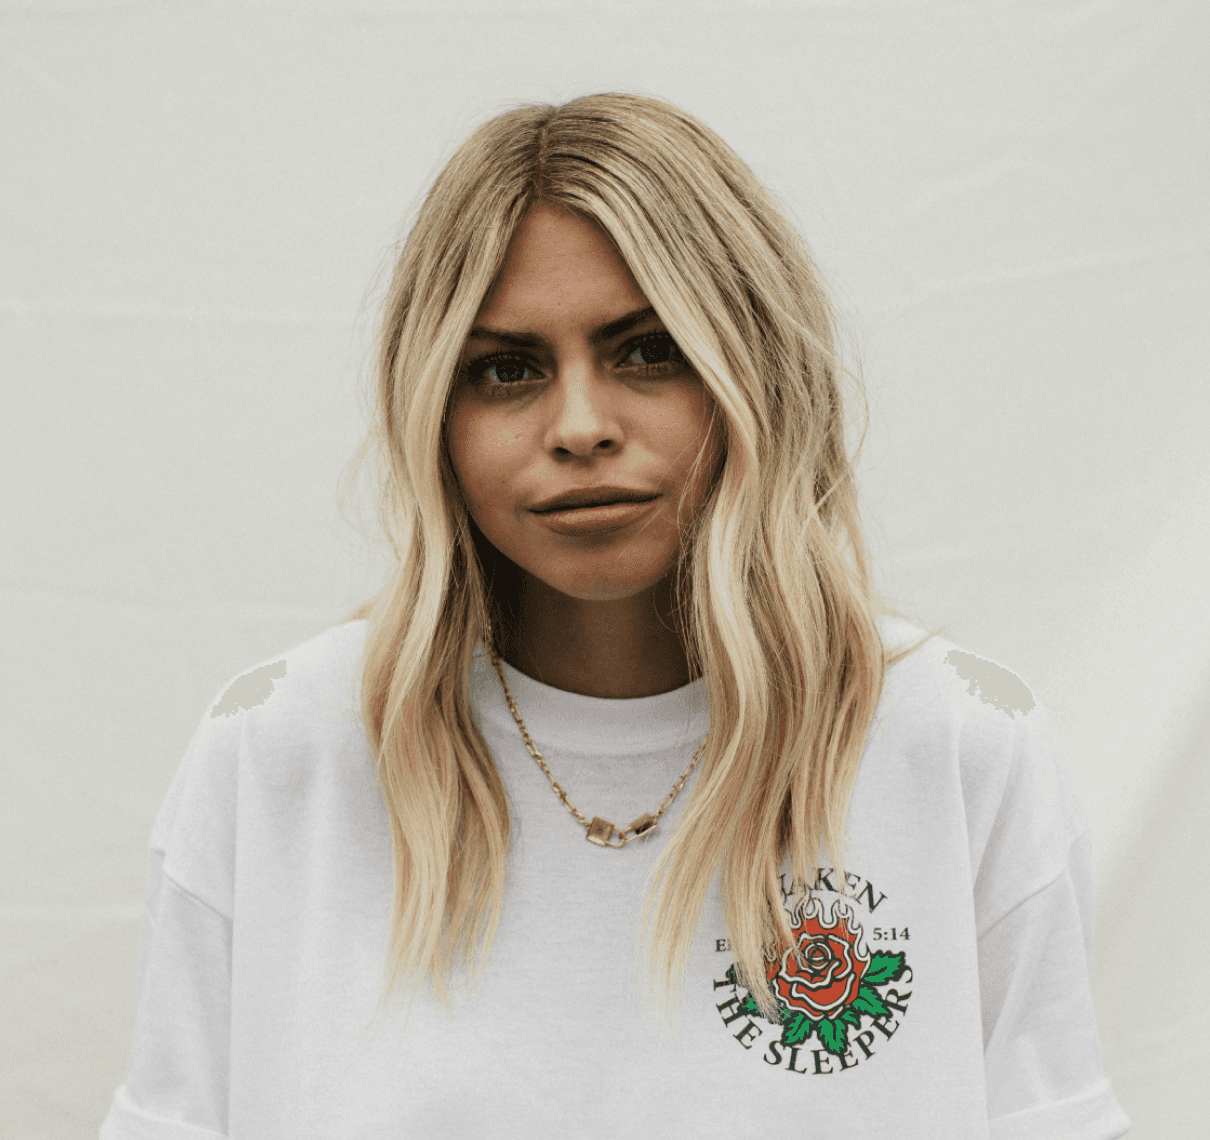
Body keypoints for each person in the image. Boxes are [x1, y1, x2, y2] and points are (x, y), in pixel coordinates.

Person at [100, 94, 1129, 1139]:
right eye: (506, 369)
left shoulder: (958, 744)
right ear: (432, 412)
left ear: (754, 368)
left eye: (647, 351)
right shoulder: (280, 749)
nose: (581, 427)